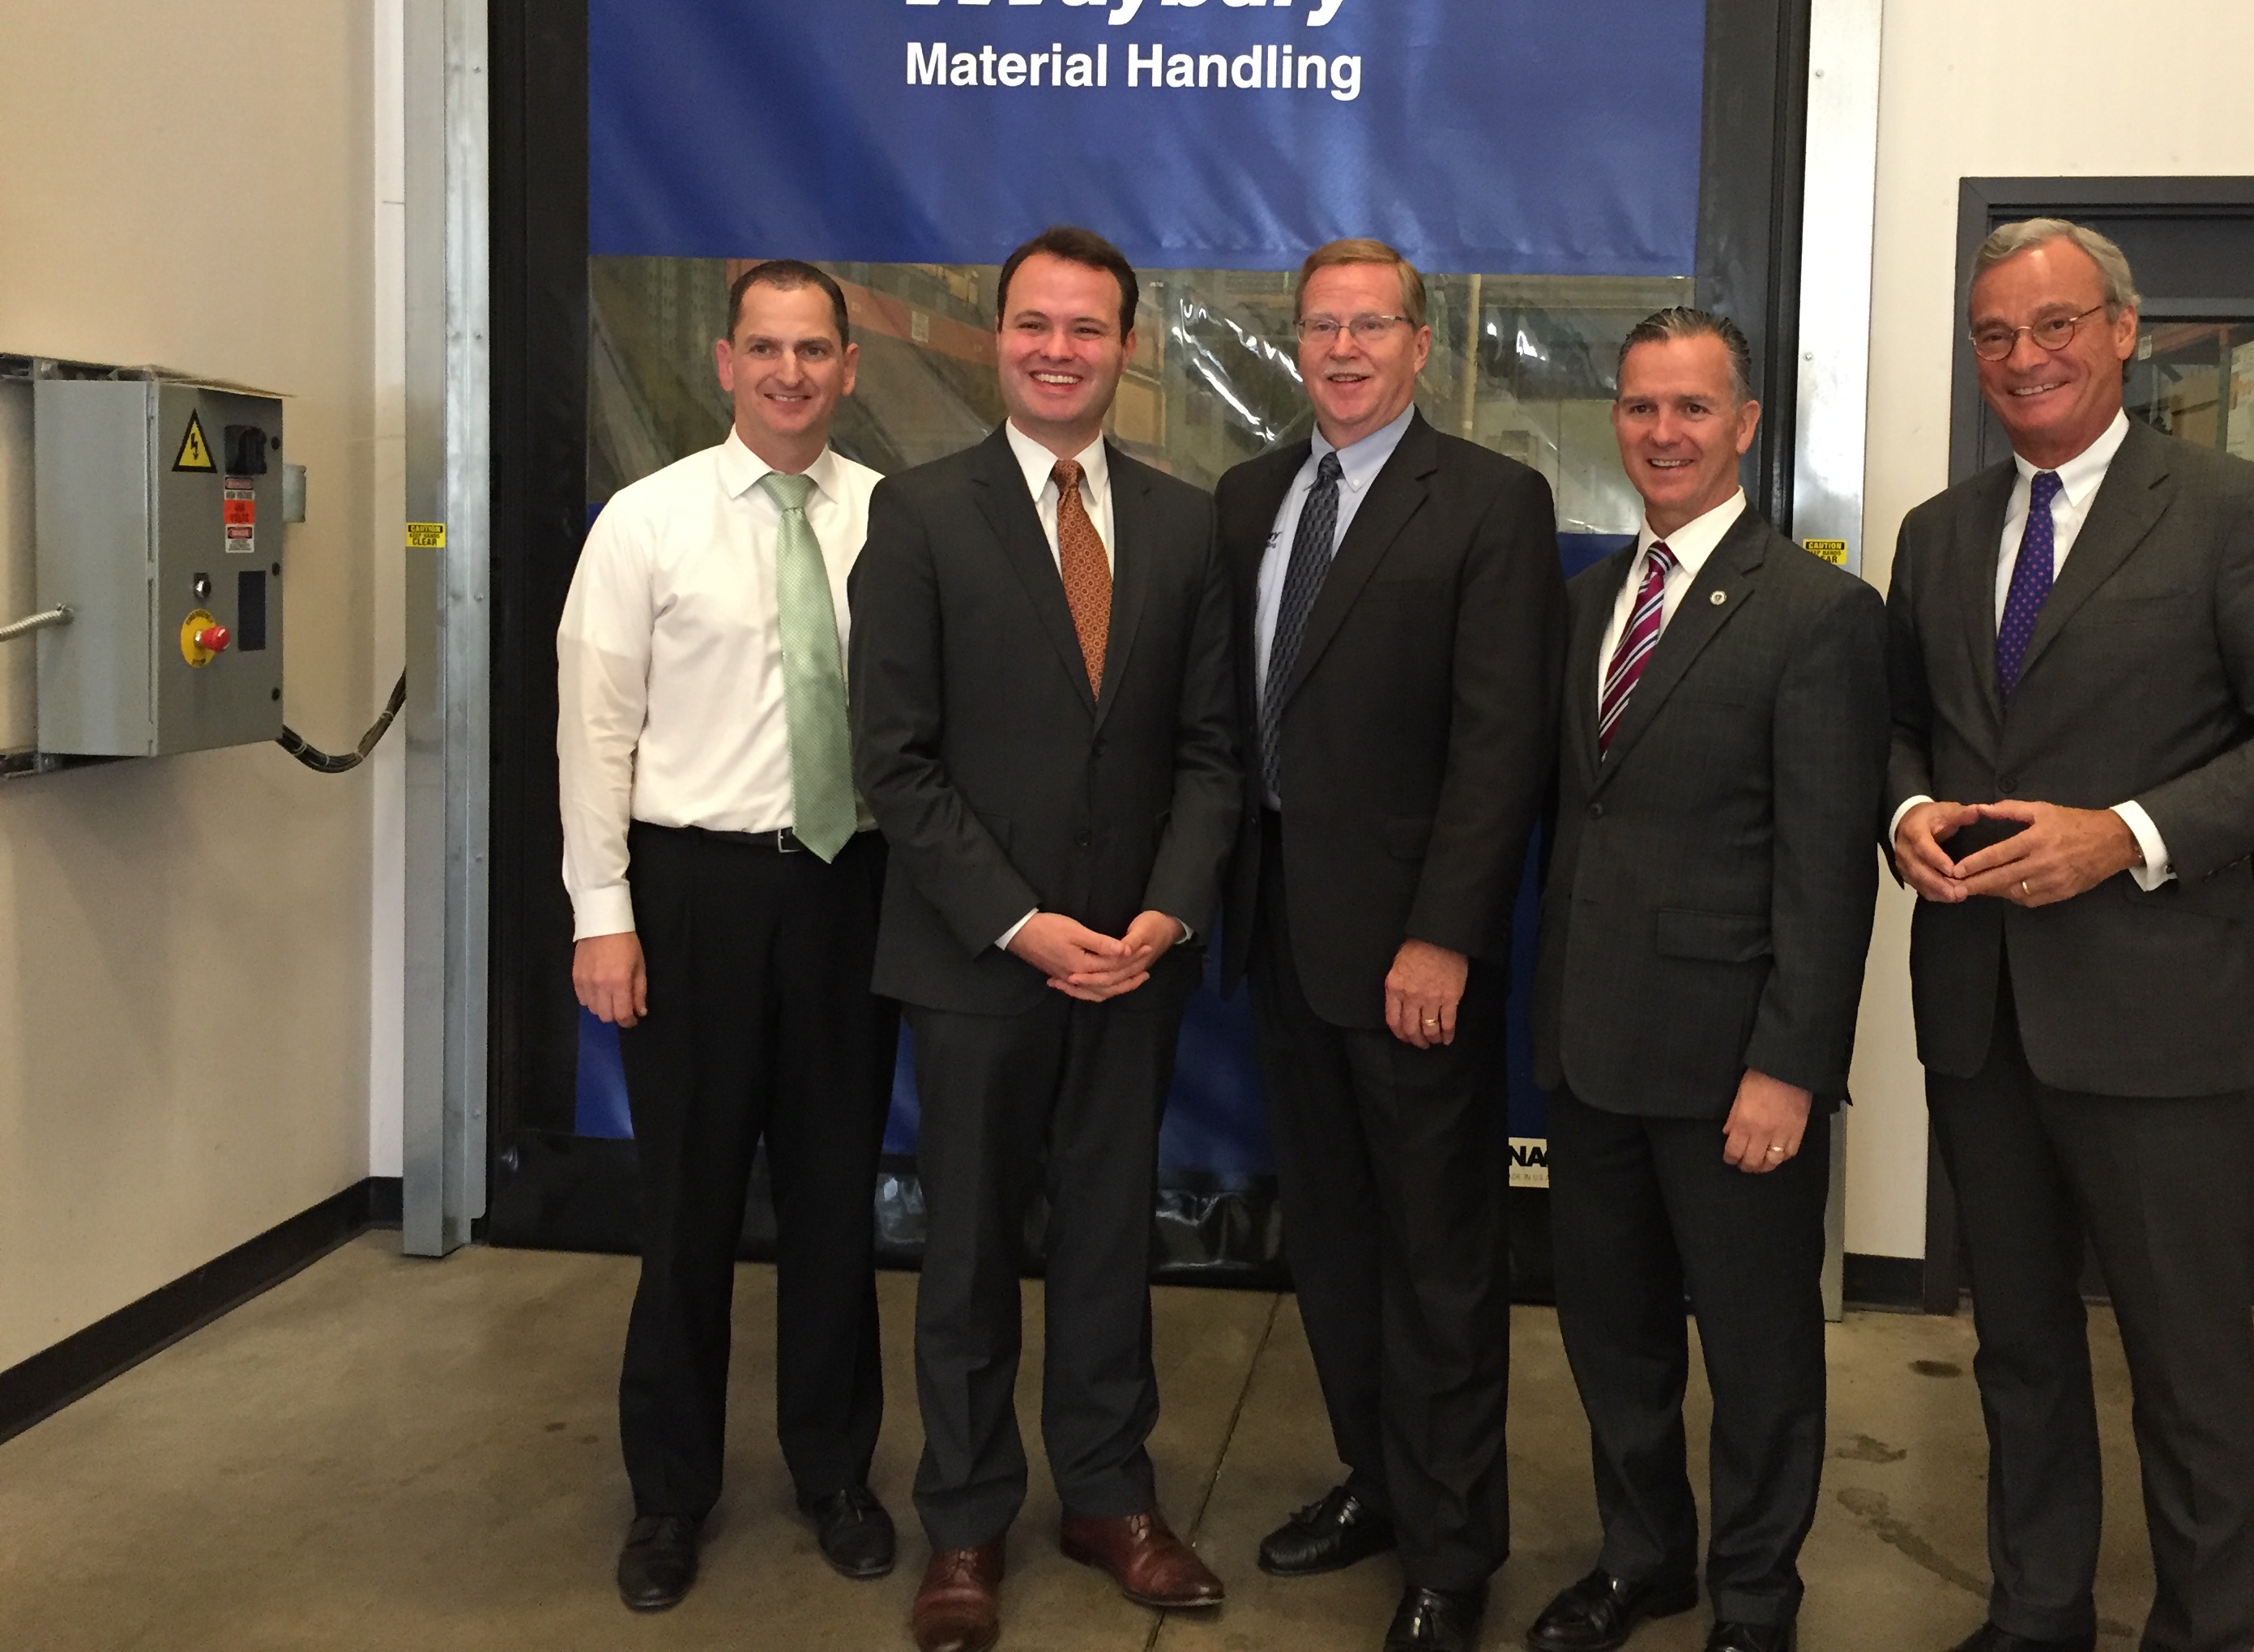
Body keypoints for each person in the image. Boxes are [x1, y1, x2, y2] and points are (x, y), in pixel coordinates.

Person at [1886, 219, 2254, 1652]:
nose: (2023, 356)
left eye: (2054, 325)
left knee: (2188, 1369)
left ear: (2122, 330)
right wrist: (1905, 808)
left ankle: (2202, 1631)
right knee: (2019, 1348)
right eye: (1995, 334)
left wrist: (2128, 833)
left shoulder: (2231, 511)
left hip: (2159, 1016)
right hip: (1979, 1009)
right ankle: (2037, 1611)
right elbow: (1905, 724)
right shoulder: (1938, 532)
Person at [847, 225, 1238, 1652]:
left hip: (1133, 963)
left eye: (1086, 327)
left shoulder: (1189, 524)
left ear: (1128, 345)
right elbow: (893, 761)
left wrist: (1163, 914)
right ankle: (963, 1523)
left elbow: (1213, 752)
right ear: (997, 337)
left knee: (1109, 1241)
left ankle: (1109, 1497)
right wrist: (1021, 925)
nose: (1058, 350)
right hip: (976, 962)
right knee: (963, 1253)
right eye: (1034, 324)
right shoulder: (919, 514)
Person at [1214, 237, 1566, 1652]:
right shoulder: (1251, 497)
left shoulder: (1489, 501)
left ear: (1423, 344)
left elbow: (1501, 748)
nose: (1345, 350)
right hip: (1278, 937)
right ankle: (1378, 1479)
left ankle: (1454, 1547)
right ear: (1294, 343)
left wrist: (1444, 937)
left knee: (1438, 1259)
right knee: (1336, 1243)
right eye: (1322, 326)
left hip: (1413, 956)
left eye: (1372, 326)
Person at [1526, 309, 1886, 1652]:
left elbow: (1826, 870)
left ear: (1745, 424)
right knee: (1613, 1336)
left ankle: (1755, 1599)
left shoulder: (1820, 615)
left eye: (1691, 408)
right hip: (1589, 1047)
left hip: (1733, 1063)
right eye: (1640, 406)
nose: (1662, 432)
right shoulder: (1584, 605)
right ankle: (1643, 1560)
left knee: (1758, 1352)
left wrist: (1790, 1067)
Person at [556, 258, 896, 1613]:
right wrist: (602, 915)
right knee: (688, 1208)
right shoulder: (646, 522)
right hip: (691, 894)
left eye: (814, 350)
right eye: (766, 347)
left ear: (850, 367)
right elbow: (595, 729)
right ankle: (669, 1495)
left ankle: (836, 1473)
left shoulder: (895, 520)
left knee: (836, 1199)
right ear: (724, 362)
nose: (789, 373)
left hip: (849, 894)